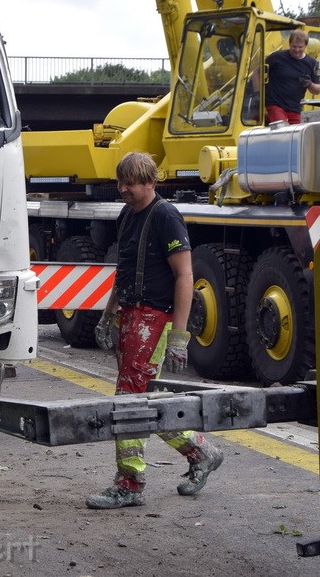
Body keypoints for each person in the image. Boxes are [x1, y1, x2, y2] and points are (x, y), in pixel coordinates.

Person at [88, 152, 223, 510]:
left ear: (150, 182)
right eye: (120, 183)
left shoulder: (165, 216)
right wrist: (109, 314)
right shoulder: (127, 215)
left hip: (152, 320)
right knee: (142, 397)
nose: (122, 190)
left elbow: (185, 276)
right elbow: (124, 270)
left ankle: (130, 483)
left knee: (128, 401)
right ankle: (201, 451)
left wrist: (179, 337)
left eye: (129, 183)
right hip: (132, 318)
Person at [263, 29, 320, 124]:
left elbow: (318, 90)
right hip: (275, 104)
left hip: (294, 108)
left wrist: (310, 84)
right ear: (289, 44)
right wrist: (258, 95)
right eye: (294, 46)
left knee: (294, 135)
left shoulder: (312, 63)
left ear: (305, 46)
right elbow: (257, 72)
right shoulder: (277, 57)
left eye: (300, 47)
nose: (297, 50)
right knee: (281, 131)